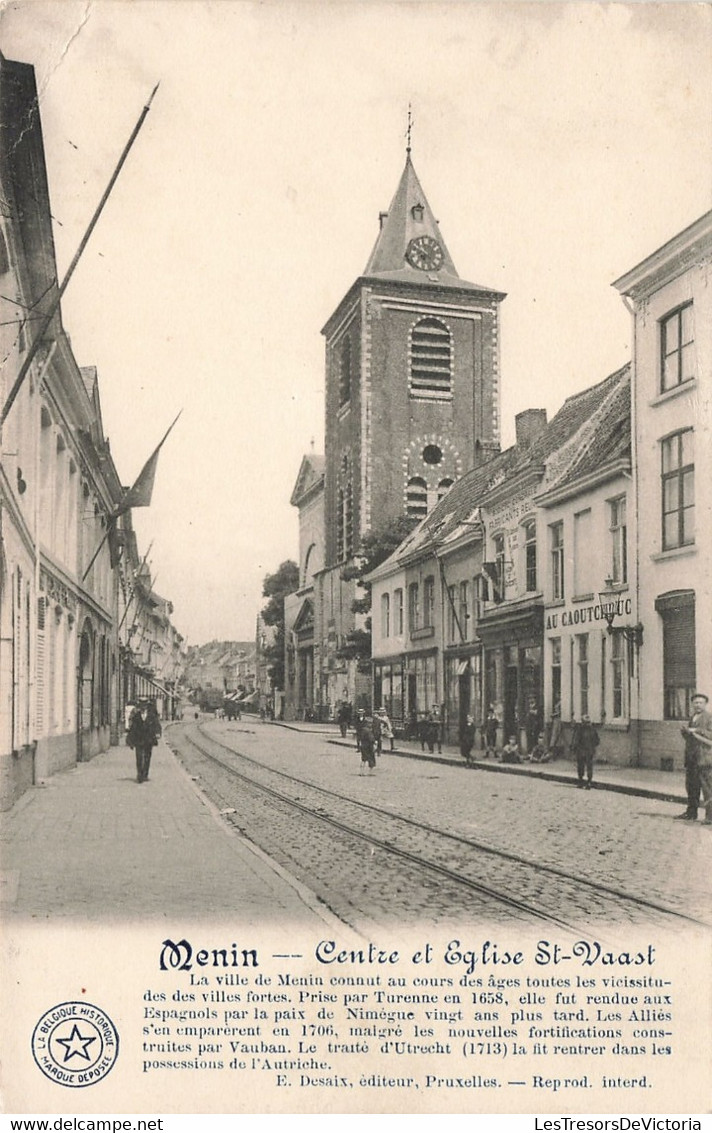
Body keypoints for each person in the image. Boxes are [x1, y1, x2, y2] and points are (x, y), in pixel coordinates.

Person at [677, 693, 712, 821]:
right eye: (695, 702)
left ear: (705, 704)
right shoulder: (692, 718)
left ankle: (710, 817)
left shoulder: (709, 717)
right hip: (692, 758)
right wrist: (685, 733)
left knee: (708, 789)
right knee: (691, 787)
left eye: (700, 703)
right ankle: (691, 813)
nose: (697, 705)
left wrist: (696, 730)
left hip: (704, 758)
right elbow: (691, 739)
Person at [126, 698, 162, 783]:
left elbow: (156, 724)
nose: (143, 706)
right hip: (139, 739)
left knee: (147, 757)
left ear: (147, 705)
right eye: (141, 704)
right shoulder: (136, 714)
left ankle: (145, 773)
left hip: (148, 739)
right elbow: (132, 727)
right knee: (139, 757)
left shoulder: (152, 714)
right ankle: (140, 775)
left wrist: (158, 733)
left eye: (144, 704)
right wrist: (130, 739)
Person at [570, 714, 599, 789]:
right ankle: (589, 782)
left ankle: (581, 781)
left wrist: (573, 749)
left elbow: (576, 740)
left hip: (581, 752)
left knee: (581, 767)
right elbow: (597, 741)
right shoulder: (593, 730)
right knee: (589, 767)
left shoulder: (580, 730)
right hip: (590, 751)